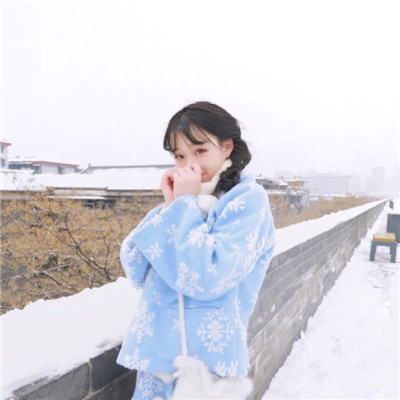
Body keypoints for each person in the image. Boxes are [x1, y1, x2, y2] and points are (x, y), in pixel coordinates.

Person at [117, 101, 275, 399]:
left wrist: (182, 206)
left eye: (200, 151)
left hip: (208, 367)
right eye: (180, 156)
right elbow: (135, 267)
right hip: (157, 361)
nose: (190, 164)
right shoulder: (184, 201)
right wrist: (169, 206)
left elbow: (208, 276)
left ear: (227, 147)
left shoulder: (247, 200)